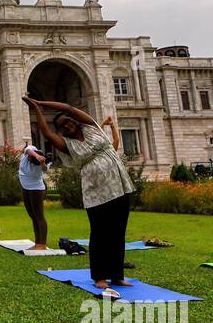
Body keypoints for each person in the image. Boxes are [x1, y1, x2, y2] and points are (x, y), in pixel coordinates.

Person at [27, 96, 136, 296]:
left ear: (74, 120)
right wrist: (37, 110)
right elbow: (46, 133)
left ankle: (117, 275)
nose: (66, 125)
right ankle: (100, 277)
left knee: (118, 232)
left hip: (120, 185)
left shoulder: (92, 127)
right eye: (61, 126)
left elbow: (69, 107)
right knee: (99, 233)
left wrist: (44, 103)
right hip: (95, 191)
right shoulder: (67, 144)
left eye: (67, 121)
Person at [16, 137, 50, 251]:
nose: (28, 159)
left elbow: (46, 170)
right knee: (32, 216)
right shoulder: (31, 152)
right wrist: (36, 156)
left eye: (31, 159)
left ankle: (42, 244)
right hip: (25, 188)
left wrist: (42, 162)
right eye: (30, 157)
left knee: (39, 216)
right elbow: (29, 150)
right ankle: (37, 242)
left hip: (36, 190)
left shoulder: (39, 166)